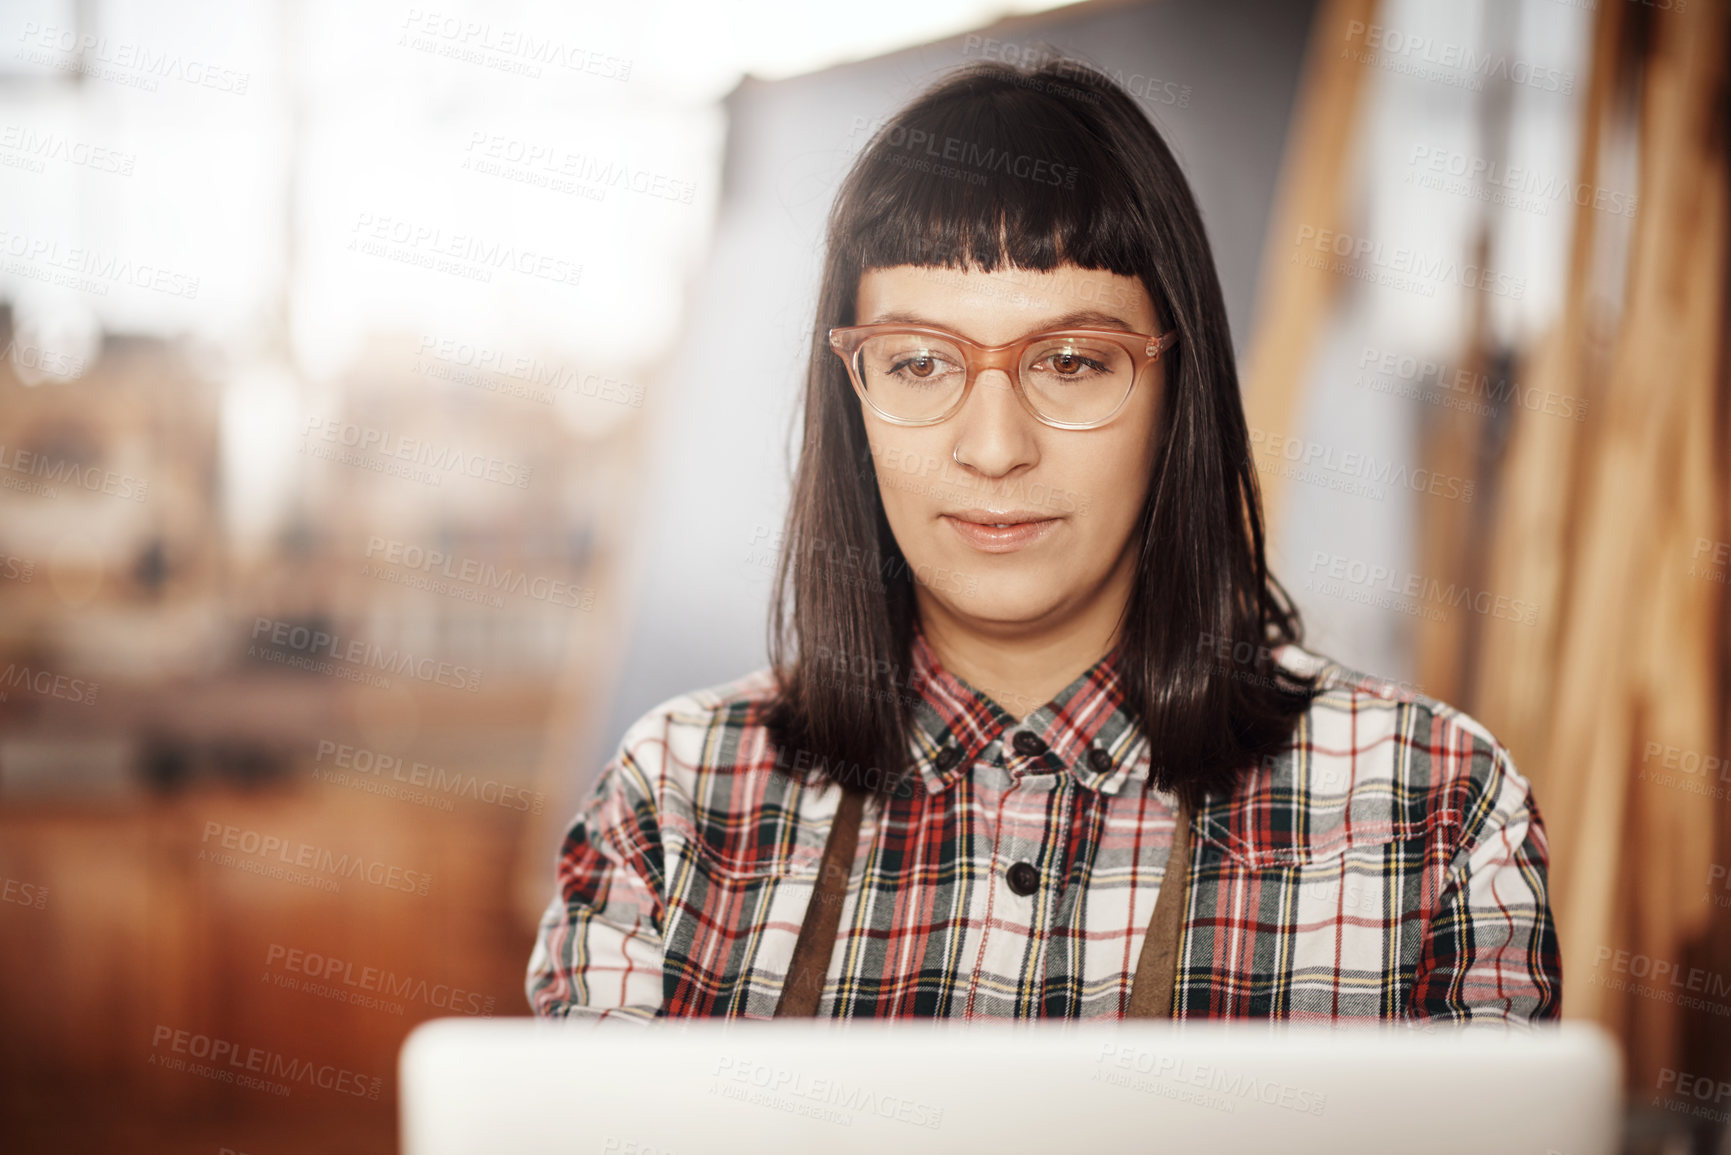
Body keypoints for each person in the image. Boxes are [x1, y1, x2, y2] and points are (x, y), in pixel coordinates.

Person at [526, 57, 1561, 1023]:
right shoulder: (672, 806)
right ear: (855, 402)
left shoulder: (1432, 813)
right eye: (920, 363)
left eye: (1070, 361)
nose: (993, 447)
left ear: (1177, 395)